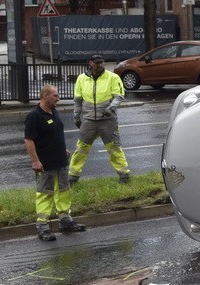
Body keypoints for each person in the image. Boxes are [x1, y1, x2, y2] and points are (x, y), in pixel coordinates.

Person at [24, 85, 86, 241]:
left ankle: (65, 220)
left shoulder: (53, 111)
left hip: (60, 160)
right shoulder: (34, 116)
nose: (58, 98)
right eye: (55, 96)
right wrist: (35, 161)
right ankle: (43, 227)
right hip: (46, 163)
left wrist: (63, 148)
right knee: (45, 194)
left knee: (63, 190)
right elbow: (29, 140)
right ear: (45, 96)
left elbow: (56, 133)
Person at [69, 54, 130, 184]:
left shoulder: (112, 77)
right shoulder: (81, 79)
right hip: (88, 120)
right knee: (81, 149)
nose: (100, 65)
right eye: (97, 63)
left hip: (108, 121)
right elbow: (78, 100)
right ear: (90, 63)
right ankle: (73, 177)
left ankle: (124, 175)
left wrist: (111, 108)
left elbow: (119, 96)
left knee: (114, 148)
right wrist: (76, 115)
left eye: (102, 62)